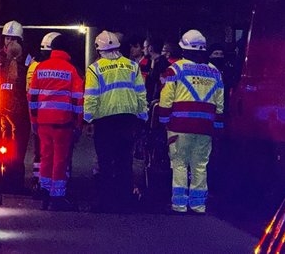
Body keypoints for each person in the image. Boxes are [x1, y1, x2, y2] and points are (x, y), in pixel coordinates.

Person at [158, 29, 224, 214]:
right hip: (205, 128)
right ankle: (198, 205)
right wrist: (217, 127)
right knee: (200, 165)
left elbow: (166, 99)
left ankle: (179, 205)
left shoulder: (175, 69)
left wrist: (163, 120)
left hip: (179, 126)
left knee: (179, 163)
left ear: (184, 49)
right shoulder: (215, 72)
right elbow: (220, 104)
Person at [84, 30, 148, 213]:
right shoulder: (132, 66)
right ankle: (124, 201)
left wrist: (88, 120)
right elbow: (141, 94)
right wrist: (142, 117)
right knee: (124, 161)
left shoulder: (95, 68)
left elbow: (91, 97)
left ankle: (106, 202)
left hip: (105, 122)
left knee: (105, 162)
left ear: (98, 50)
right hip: (128, 121)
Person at [27, 33, 83, 211]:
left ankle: (44, 189)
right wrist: (78, 124)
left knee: (46, 157)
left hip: (43, 121)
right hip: (63, 122)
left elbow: (32, 97)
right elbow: (78, 100)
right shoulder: (71, 70)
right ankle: (57, 195)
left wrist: (34, 121)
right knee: (60, 159)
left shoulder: (40, 68)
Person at [0, 20, 31, 193]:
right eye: (7, 37)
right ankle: (4, 180)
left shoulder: (26, 60)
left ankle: (15, 183)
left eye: (13, 38)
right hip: (1, 109)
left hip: (19, 110)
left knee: (17, 150)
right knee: (2, 148)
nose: (9, 41)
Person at [26, 31, 60, 195]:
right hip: (62, 119)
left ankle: (39, 183)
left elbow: (30, 93)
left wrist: (33, 118)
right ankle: (58, 187)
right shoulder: (67, 68)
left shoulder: (35, 67)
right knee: (59, 154)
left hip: (40, 117)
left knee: (41, 152)